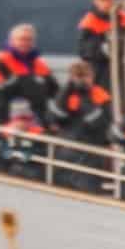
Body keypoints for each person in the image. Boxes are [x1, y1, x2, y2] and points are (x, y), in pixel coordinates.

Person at [46, 60, 114, 194]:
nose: (83, 80)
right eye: (78, 76)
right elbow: (53, 119)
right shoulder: (63, 95)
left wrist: (85, 100)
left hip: (90, 155)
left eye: (86, 76)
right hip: (64, 153)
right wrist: (65, 92)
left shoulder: (101, 96)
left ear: (92, 77)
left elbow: (103, 126)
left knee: (88, 194)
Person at [77, 0, 125, 91]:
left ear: (114, 0)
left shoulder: (124, 19)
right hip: (100, 72)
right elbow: (83, 51)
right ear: (95, 1)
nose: (107, 3)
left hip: (124, 68)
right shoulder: (89, 22)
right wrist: (104, 46)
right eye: (103, 0)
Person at [0, 24, 56, 110]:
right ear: (11, 41)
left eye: (29, 40)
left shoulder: (40, 64)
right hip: (8, 114)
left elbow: (54, 90)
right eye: (22, 39)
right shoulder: (0, 61)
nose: (25, 43)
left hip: (36, 115)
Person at [0, 99, 50, 181]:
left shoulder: (38, 133)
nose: (20, 122)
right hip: (5, 171)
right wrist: (6, 152)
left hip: (30, 171)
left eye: (24, 119)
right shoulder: (4, 132)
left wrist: (29, 153)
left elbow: (44, 152)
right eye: (18, 119)